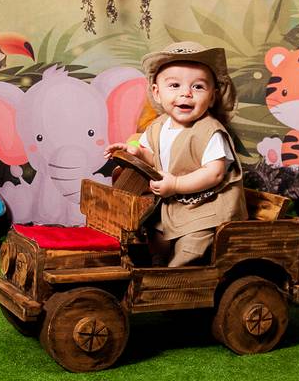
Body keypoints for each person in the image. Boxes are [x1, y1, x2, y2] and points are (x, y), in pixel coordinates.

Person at [105, 42, 247, 267]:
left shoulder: (210, 131)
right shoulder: (158, 126)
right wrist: (137, 152)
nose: (186, 93)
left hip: (205, 209)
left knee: (192, 242)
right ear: (157, 93)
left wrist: (176, 184)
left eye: (198, 87)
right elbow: (156, 159)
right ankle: (158, 261)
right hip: (174, 204)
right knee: (153, 226)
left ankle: (177, 272)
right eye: (174, 85)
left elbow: (215, 173)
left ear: (212, 97)